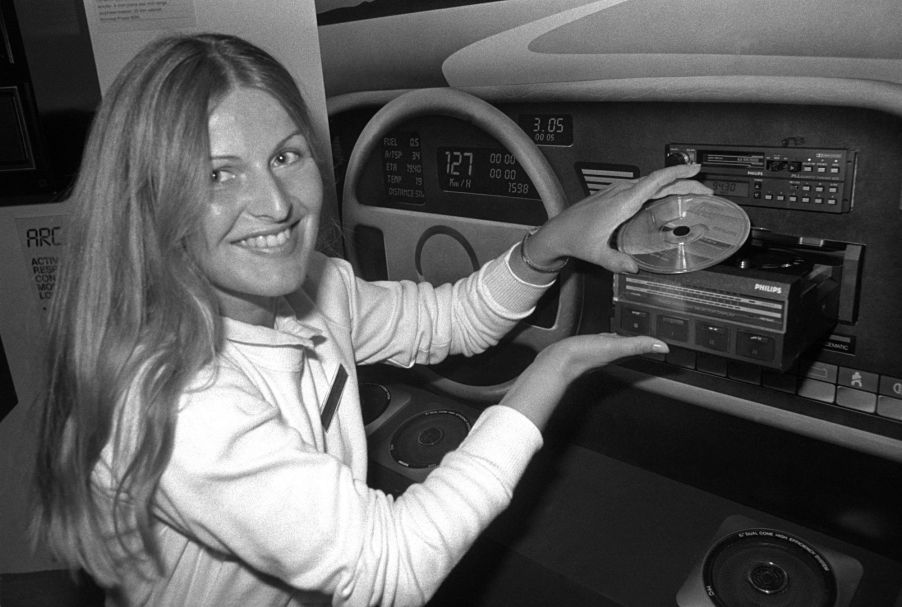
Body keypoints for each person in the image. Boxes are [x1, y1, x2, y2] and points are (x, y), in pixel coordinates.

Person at [31, 33, 710, 606]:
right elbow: (391, 564)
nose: (274, 203)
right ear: (147, 199)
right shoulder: (175, 397)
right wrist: (554, 367)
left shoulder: (313, 291)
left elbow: (448, 319)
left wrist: (552, 240)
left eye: (285, 156)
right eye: (218, 174)